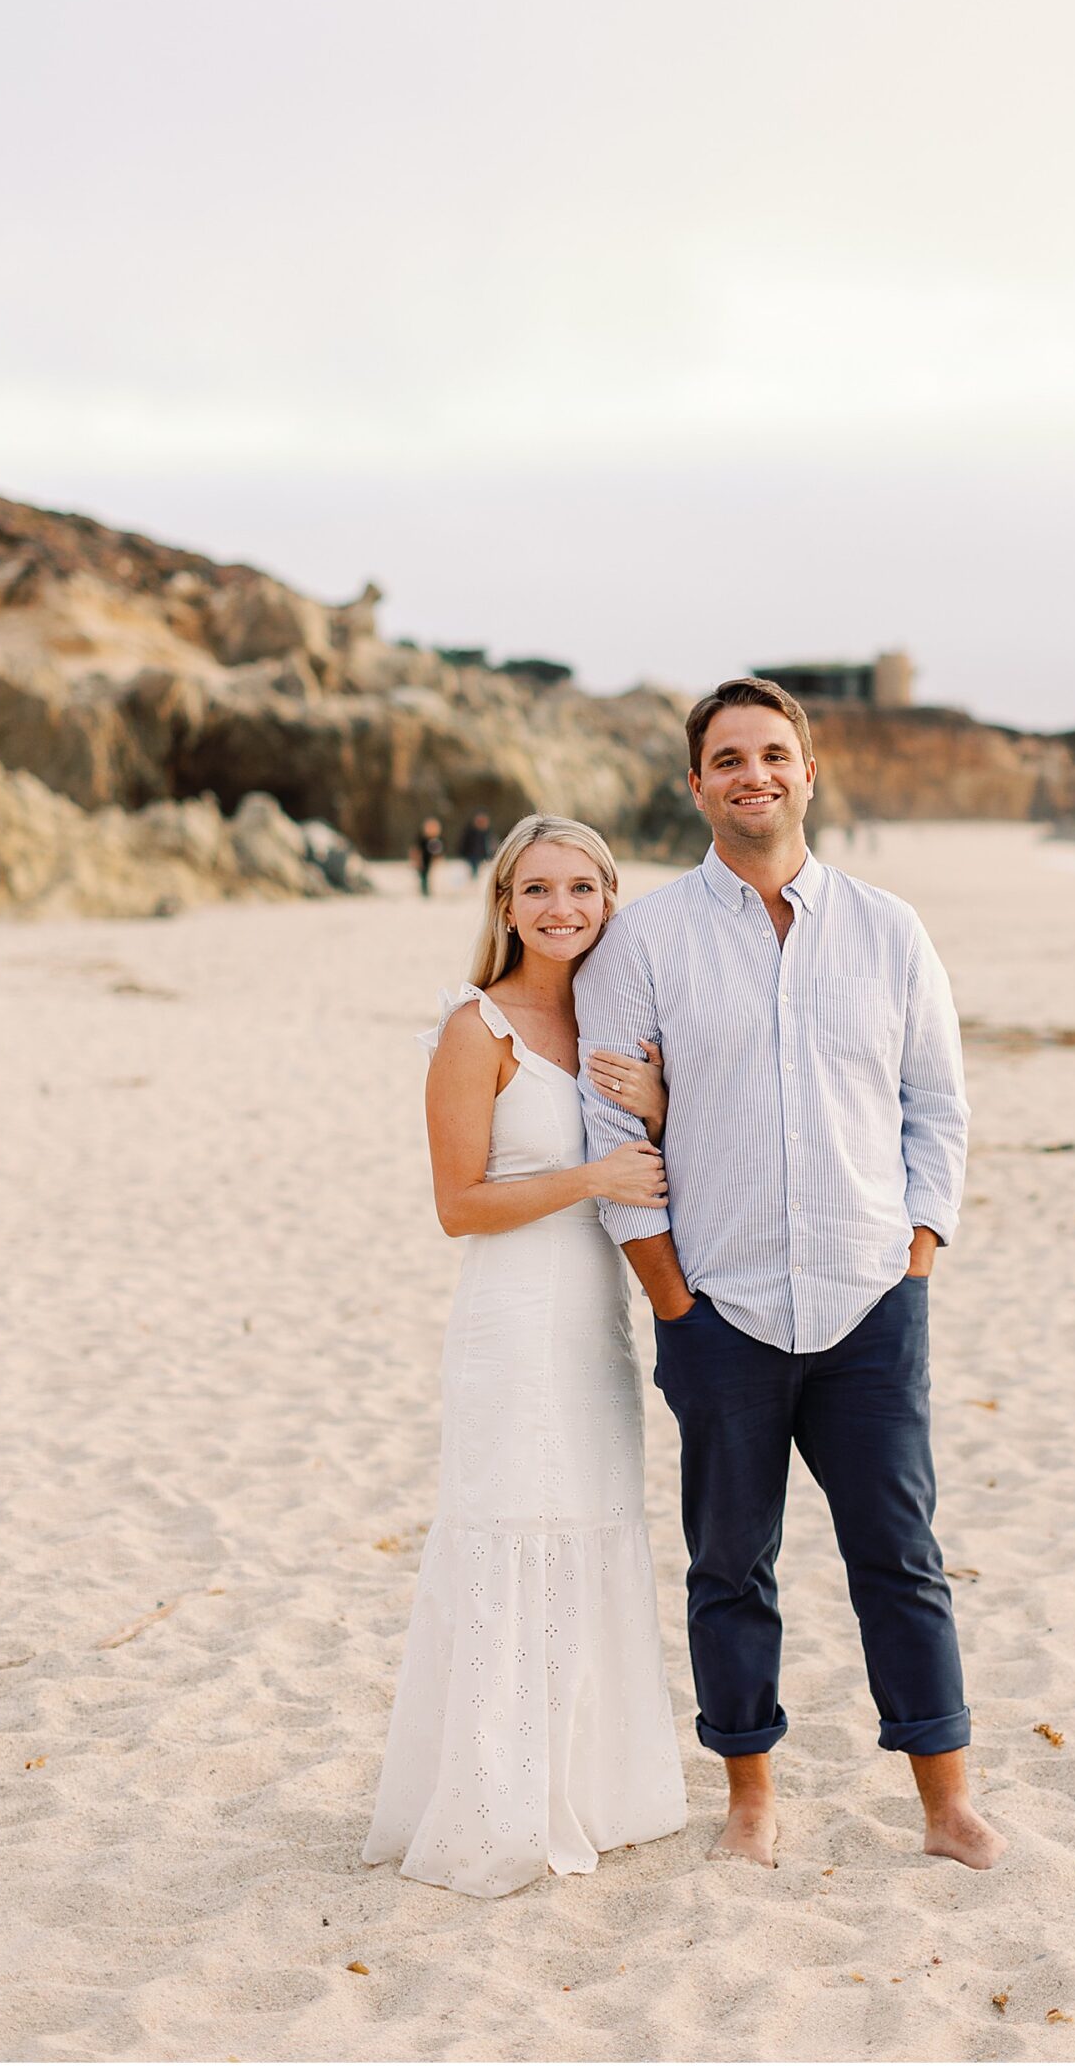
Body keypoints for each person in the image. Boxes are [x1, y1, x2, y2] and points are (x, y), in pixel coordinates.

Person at [576, 678, 1005, 1873]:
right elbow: (608, 1134)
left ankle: (945, 1800)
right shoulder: (645, 941)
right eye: (727, 758)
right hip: (722, 1308)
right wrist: (670, 1297)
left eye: (773, 754)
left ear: (809, 772)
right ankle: (750, 1799)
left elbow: (936, 1105)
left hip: (871, 1298)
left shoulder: (888, 930)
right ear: (696, 784)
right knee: (729, 1564)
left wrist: (918, 1249)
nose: (751, 775)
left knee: (901, 1557)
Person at [362, 815, 688, 1896]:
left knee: (592, 1522)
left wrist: (655, 1106)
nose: (561, 908)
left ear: (609, 898)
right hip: (511, 1314)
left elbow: (671, 1153)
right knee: (512, 1524)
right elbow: (459, 1204)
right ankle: (501, 1802)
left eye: (582, 888)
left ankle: (593, 1791)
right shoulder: (476, 1026)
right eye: (538, 889)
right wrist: (593, 1177)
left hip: (594, 1316)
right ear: (503, 902)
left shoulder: (612, 1017)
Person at [411, 816, 445, 898]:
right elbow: (416, 850)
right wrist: (416, 859)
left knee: (426, 875)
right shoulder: (422, 839)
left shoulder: (437, 840)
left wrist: (438, 857)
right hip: (422, 860)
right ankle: (424, 889)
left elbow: (439, 851)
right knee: (423, 875)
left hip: (429, 860)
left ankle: (425, 888)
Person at [458, 811, 494, 880]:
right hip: (471, 857)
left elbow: (490, 846)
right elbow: (463, 844)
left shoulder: (488, 834)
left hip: (484, 858)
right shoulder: (469, 832)